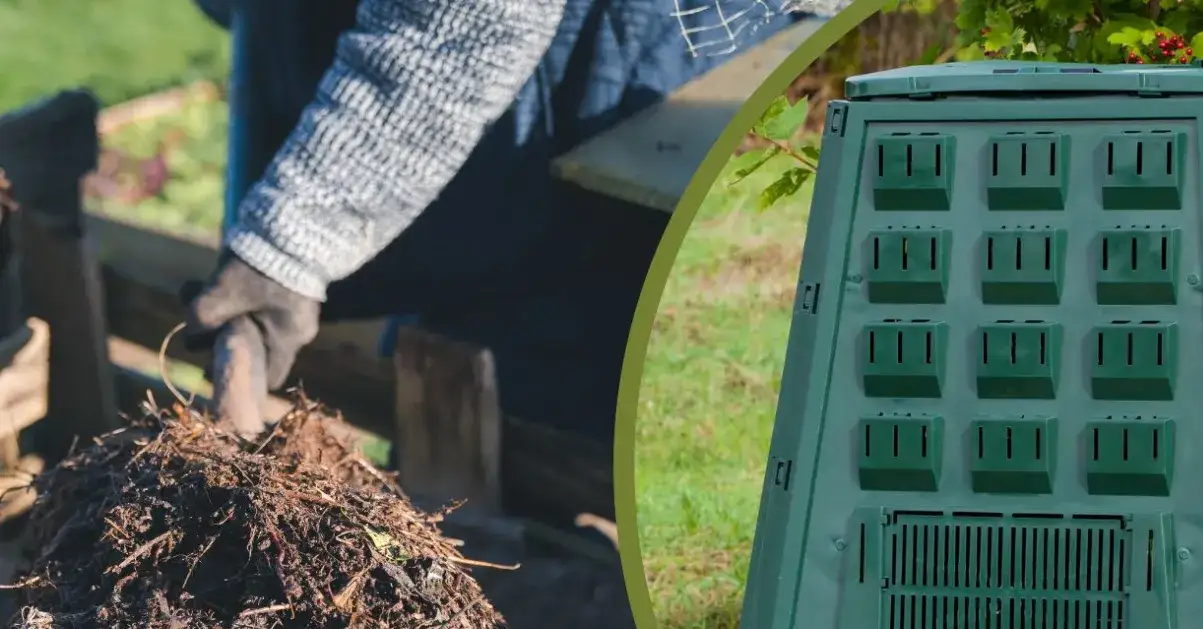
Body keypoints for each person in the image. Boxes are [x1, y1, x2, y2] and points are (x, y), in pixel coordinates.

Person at [185, 0, 846, 444]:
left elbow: (472, 20)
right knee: (496, 371)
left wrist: (289, 241)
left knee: (594, 375)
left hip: (661, 38)